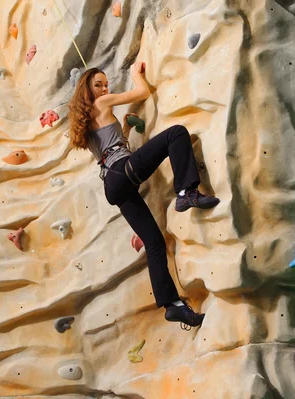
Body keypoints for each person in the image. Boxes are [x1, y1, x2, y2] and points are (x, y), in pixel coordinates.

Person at [68, 61, 220, 330]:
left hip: (114, 185)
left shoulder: (89, 119)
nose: (105, 89)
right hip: (121, 172)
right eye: (98, 85)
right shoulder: (103, 104)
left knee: (154, 243)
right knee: (176, 134)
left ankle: (172, 306)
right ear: (87, 91)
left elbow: (111, 148)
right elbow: (141, 94)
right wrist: (137, 75)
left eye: (106, 84)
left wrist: (124, 130)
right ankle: (187, 192)